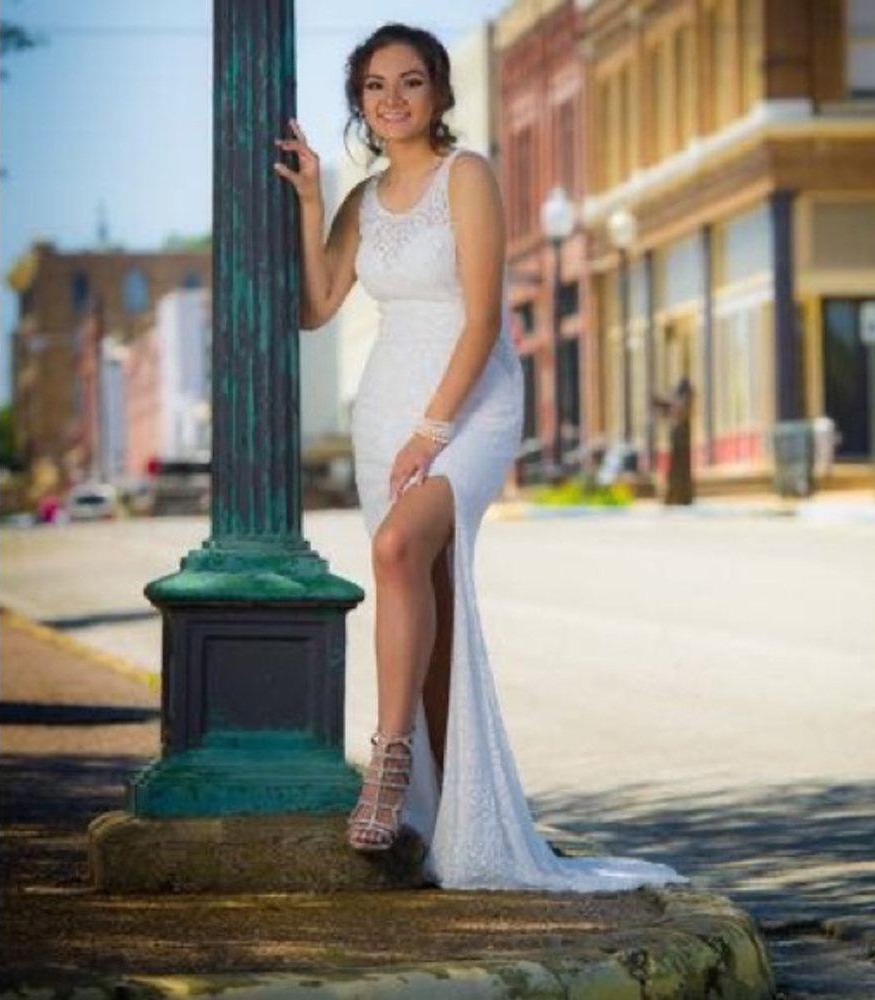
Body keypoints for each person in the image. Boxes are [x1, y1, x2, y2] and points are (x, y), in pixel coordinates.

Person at [275, 22, 685, 891]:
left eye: (410, 82)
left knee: (397, 550)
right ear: (360, 103)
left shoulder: (468, 176)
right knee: (428, 594)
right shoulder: (361, 200)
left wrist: (433, 431)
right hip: (386, 402)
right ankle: (448, 816)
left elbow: (484, 317)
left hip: (470, 400)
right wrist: (311, 201)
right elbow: (316, 307)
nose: (393, 99)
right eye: (376, 86)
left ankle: (387, 765)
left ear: (439, 93)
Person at [654, 376, 695, 505]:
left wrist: (668, 406)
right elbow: (669, 411)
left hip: (682, 437)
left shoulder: (685, 395)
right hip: (676, 436)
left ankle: (682, 496)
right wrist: (661, 405)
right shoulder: (678, 399)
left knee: (681, 469)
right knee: (674, 469)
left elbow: (680, 409)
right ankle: (674, 496)